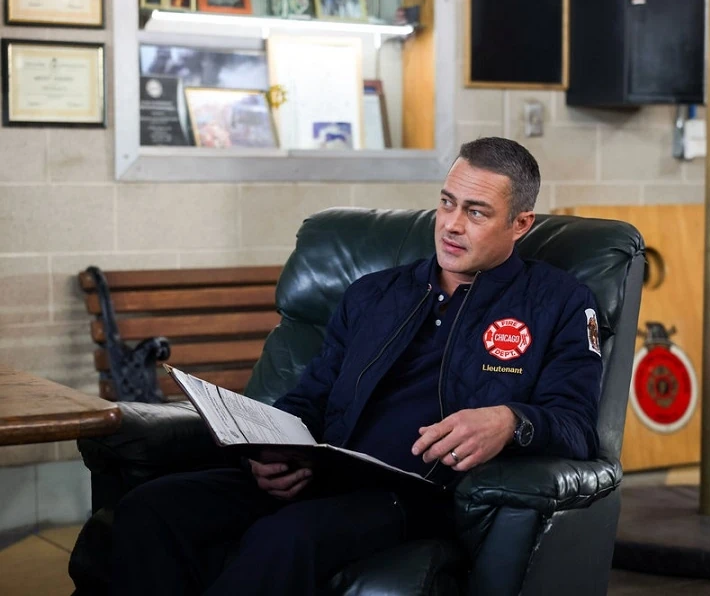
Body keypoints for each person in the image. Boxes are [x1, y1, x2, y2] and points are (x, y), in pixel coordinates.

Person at [109, 137, 604, 595]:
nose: (452, 225)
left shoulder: (558, 303)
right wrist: (270, 454)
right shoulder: (375, 294)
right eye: (447, 202)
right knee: (152, 508)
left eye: (476, 212)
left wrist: (511, 422)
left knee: (286, 538)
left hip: (416, 496)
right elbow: (311, 396)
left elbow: (577, 425)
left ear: (520, 224)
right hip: (326, 474)